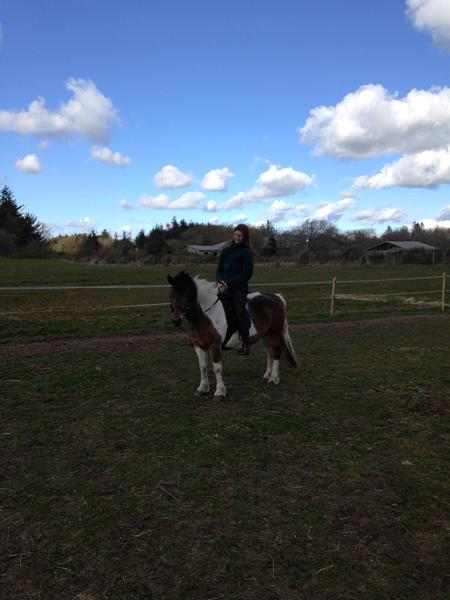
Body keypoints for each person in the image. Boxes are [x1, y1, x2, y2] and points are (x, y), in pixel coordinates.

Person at [216, 224, 254, 355]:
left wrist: (229, 283)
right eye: (236, 235)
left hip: (239, 289)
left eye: (240, 236)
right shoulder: (226, 251)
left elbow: (247, 274)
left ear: (245, 237)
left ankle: (246, 343)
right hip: (223, 287)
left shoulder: (247, 253)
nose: (237, 237)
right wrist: (220, 281)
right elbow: (220, 270)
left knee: (239, 311)